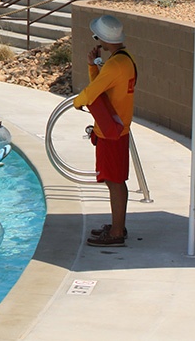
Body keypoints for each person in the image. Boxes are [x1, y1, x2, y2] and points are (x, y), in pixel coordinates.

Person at [73, 15, 137, 247]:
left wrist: (77, 102)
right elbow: (101, 87)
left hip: (112, 131)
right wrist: (93, 66)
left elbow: (91, 93)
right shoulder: (125, 59)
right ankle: (117, 225)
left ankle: (117, 232)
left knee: (115, 181)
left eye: (96, 36)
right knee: (114, 180)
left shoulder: (115, 65)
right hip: (116, 129)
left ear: (102, 39)